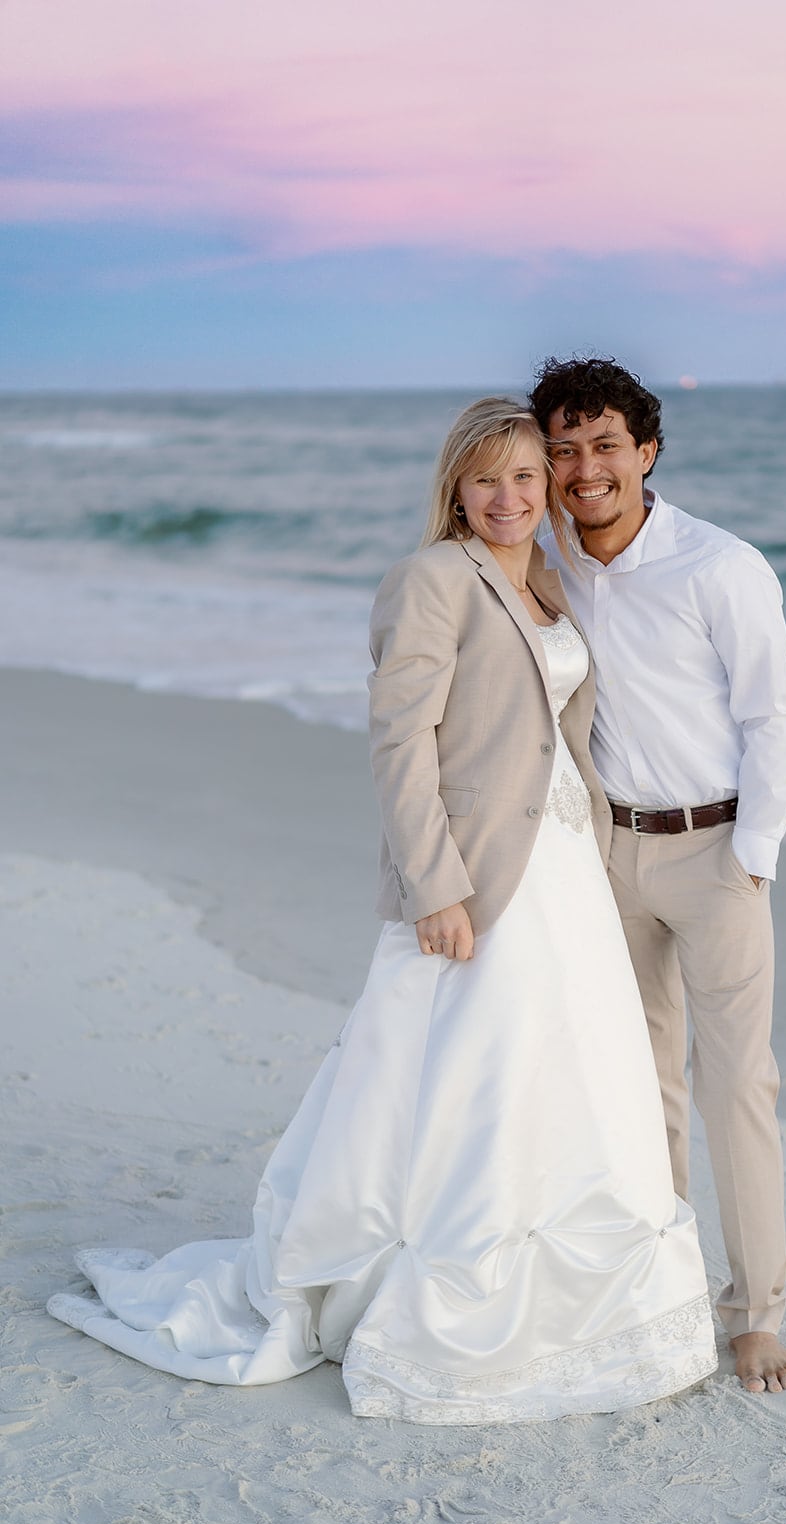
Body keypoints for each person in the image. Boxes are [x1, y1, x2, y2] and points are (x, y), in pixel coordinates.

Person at [48, 397, 719, 1424]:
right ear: (454, 484)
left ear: (549, 490)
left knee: (571, 1061)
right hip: (479, 875)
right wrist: (432, 883)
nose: (509, 496)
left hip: (566, 866)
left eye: (528, 477)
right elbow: (400, 741)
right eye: (486, 477)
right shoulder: (429, 581)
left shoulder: (543, 580)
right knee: (459, 1067)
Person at [529, 358, 786, 1394]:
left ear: (645, 453)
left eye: (604, 445)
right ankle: (659, 1287)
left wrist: (751, 858)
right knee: (635, 1082)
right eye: (561, 448)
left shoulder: (719, 567)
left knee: (737, 1084)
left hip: (715, 852)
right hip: (606, 853)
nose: (581, 467)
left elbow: (770, 716)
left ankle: (754, 1315)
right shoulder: (548, 554)